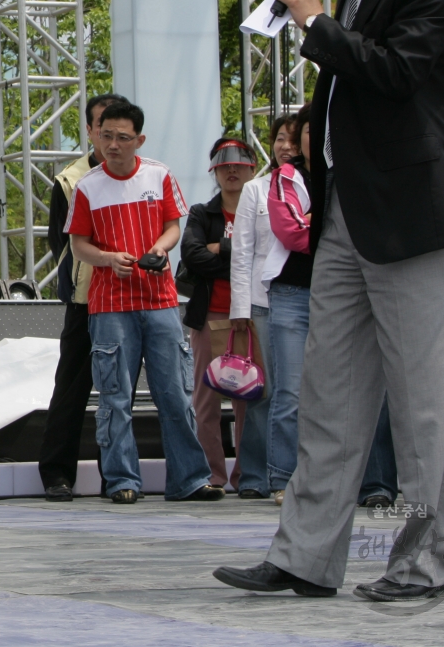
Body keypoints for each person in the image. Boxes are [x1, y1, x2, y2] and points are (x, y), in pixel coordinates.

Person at [214, 0, 444, 601]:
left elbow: (398, 74)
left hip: (410, 217)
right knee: (328, 396)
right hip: (344, 219)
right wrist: (321, 20)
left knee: (425, 406)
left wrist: (319, 24)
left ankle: (424, 562)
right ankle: (304, 555)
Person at [65, 100, 219, 503]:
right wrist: (106, 258)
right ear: (96, 136)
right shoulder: (87, 186)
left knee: (175, 392)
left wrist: (160, 249)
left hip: (160, 299)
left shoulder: (159, 175)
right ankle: (121, 480)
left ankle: (189, 479)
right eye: (106, 136)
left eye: (122, 137)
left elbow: (173, 225)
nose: (113, 144)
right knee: (115, 396)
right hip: (109, 304)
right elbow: (77, 243)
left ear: (139, 140)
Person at [39, 92, 126, 501]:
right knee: (72, 389)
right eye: (101, 128)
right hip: (87, 299)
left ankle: (121, 477)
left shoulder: (147, 174)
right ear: (90, 131)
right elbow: (63, 245)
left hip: (134, 299)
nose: (111, 139)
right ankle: (58, 475)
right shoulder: (71, 180)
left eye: (119, 129)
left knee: (123, 391)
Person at [228, 113, 301, 501]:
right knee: (263, 391)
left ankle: (289, 473)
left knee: (295, 393)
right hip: (261, 302)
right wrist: (240, 308)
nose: (285, 147)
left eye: (292, 139)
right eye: (279, 139)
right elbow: (241, 252)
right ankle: (254, 473)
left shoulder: (312, 186)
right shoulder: (256, 190)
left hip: (305, 301)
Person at [181, 137, 260, 494]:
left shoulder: (263, 208)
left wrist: (221, 248)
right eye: (224, 165)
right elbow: (193, 255)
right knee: (206, 395)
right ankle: (211, 475)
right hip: (209, 312)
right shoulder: (202, 212)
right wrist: (239, 252)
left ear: (252, 168)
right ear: (214, 170)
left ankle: (249, 476)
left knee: (250, 395)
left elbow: (264, 256)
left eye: (239, 165)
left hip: (251, 313)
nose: (232, 170)